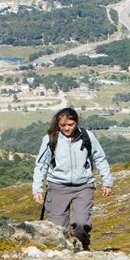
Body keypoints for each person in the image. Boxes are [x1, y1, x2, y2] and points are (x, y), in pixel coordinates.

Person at [32, 107, 113, 250]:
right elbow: (41, 164)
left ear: (76, 122)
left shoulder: (87, 137)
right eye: (63, 125)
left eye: (70, 124)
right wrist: (37, 188)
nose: (67, 128)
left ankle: (83, 249)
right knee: (58, 229)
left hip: (84, 186)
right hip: (57, 186)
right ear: (57, 124)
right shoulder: (50, 139)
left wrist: (107, 181)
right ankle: (65, 254)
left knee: (82, 223)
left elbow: (100, 158)